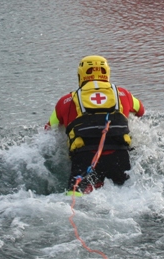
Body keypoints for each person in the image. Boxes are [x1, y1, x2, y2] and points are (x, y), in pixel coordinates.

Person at [47, 55, 145, 193]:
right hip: (119, 156)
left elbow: (48, 129)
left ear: (80, 75)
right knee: (127, 193)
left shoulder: (66, 101)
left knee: (75, 197)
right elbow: (141, 111)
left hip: (84, 159)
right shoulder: (124, 94)